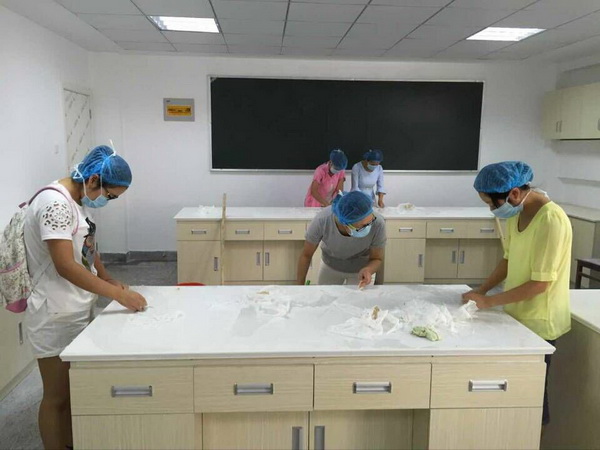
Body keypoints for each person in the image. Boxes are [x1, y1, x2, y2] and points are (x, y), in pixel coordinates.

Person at [23, 145, 147, 450]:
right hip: (54, 313)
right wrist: (117, 295)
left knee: (73, 390)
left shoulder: (77, 200)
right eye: (111, 195)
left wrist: (106, 277)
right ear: (93, 180)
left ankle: (70, 443)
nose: (109, 201)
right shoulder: (55, 205)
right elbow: (65, 266)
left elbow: (87, 247)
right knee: (57, 397)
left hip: (76, 306)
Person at [462, 161, 571, 429]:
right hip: (517, 313)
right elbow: (509, 259)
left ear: (513, 193)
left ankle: (532, 439)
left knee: (531, 396)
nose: (492, 210)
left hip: (540, 320)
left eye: (491, 203)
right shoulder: (516, 214)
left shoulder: (551, 220)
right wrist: (481, 290)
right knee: (511, 390)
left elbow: (540, 284)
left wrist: (489, 302)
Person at [297, 191, 386, 286]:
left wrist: (368, 270)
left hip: (361, 270)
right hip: (330, 267)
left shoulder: (378, 223)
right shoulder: (322, 220)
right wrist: (299, 287)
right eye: (363, 226)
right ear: (345, 224)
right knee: (325, 295)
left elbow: (376, 258)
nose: (369, 226)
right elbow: (306, 255)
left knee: (358, 295)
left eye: (371, 221)